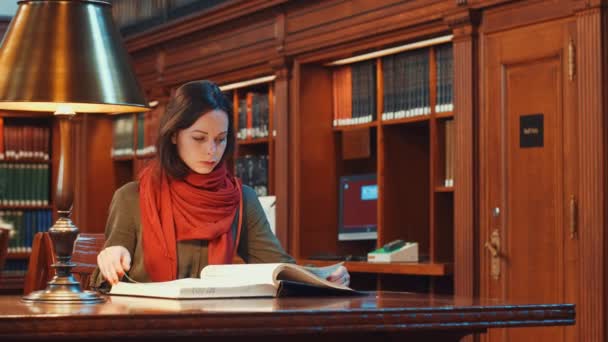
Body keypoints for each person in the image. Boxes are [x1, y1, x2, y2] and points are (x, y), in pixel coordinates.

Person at [92, 80, 350, 288]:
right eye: (199, 138)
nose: (211, 151)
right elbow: (109, 273)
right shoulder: (132, 196)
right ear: (173, 136)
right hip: (143, 325)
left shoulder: (241, 198)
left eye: (220, 139)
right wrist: (111, 255)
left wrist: (324, 277)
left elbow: (278, 265)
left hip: (210, 324)